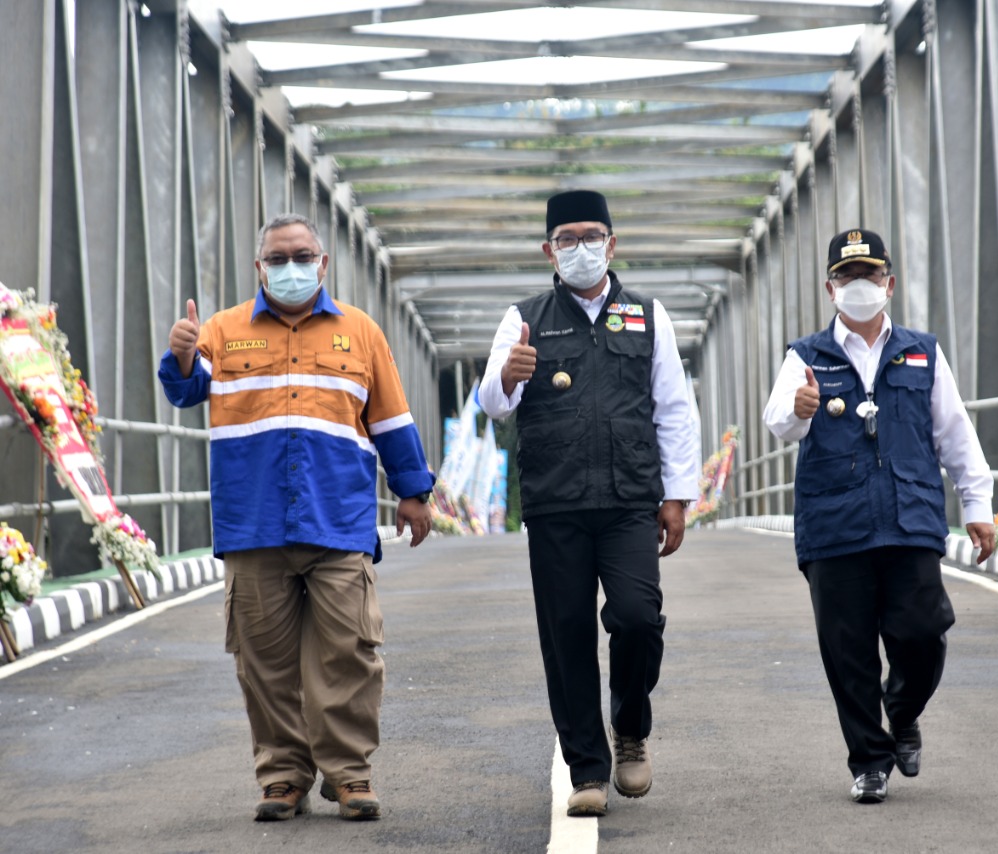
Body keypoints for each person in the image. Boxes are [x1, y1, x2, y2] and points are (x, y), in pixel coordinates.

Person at [158, 213, 434, 822]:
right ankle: (283, 776)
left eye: (301, 255)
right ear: (260, 267)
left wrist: (413, 491)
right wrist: (180, 355)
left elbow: (390, 417)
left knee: (351, 651)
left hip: (338, 519)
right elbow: (186, 389)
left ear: (323, 262)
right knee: (265, 661)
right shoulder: (224, 330)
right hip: (253, 521)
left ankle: (350, 773)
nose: (290, 267)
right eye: (277, 258)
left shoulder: (360, 332)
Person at [478, 190, 700, 817]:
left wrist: (678, 495)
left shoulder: (648, 316)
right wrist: (508, 376)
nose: (581, 248)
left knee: (637, 618)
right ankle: (587, 770)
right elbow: (492, 404)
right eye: (567, 238)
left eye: (592, 235)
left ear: (612, 242)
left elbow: (675, 409)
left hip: (630, 499)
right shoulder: (522, 318)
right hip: (556, 504)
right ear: (549, 249)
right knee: (567, 634)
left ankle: (630, 729)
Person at [763, 228, 995, 804]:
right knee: (848, 650)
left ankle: (902, 709)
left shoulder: (922, 351)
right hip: (834, 524)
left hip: (909, 516)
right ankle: (869, 760)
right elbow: (778, 423)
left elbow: (954, 432)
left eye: (869, 275)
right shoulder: (806, 357)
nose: (859, 285)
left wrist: (978, 504)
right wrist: (799, 409)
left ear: (889, 283)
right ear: (829, 287)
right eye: (847, 277)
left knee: (924, 631)